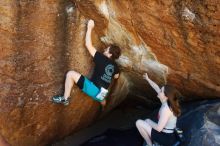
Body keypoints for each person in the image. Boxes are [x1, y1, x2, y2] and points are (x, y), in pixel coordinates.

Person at [52, 19, 121, 107]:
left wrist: (89, 27)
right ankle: (103, 104)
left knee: (70, 74)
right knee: (102, 100)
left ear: (110, 54)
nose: (104, 50)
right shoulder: (116, 67)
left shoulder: (101, 58)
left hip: (94, 90)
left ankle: (65, 99)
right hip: (102, 94)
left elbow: (88, 45)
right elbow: (116, 77)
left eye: (107, 49)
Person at [136, 73, 182, 146]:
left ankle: (150, 145)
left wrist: (149, 122)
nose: (159, 91)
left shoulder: (166, 109)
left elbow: (158, 128)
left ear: (166, 96)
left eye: (161, 91)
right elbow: (156, 87)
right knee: (146, 121)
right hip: (166, 134)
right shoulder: (165, 101)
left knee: (139, 122)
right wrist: (148, 79)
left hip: (167, 138)